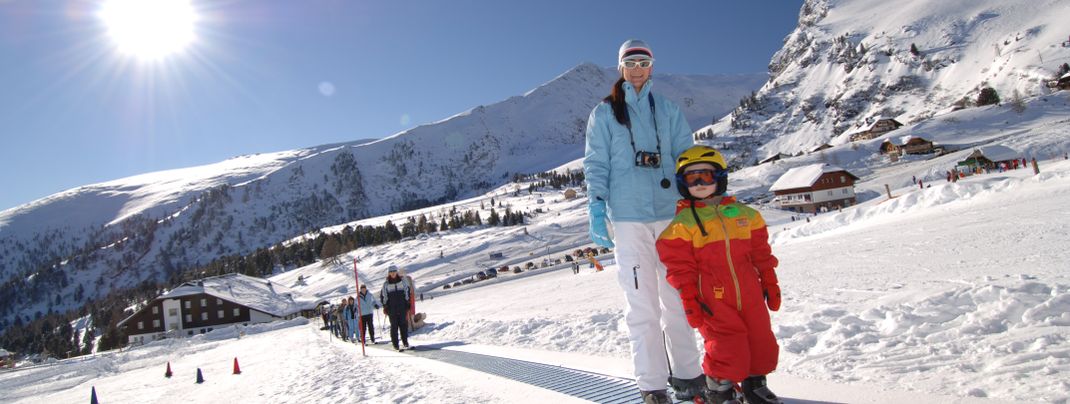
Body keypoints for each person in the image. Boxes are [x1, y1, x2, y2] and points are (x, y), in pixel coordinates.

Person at [583, 39, 703, 403]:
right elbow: (596, 163)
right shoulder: (604, 113)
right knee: (642, 306)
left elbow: (686, 156)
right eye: (631, 63)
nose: (637, 69)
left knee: (678, 300)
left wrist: (694, 199)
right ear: (620, 68)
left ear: (652, 67)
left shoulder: (667, 109)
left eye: (643, 62)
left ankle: (689, 376)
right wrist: (596, 206)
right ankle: (652, 384)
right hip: (628, 219)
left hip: (670, 216)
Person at [656, 146, 783, 404]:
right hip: (712, 298)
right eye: (692, 178)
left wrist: (769, 281)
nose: (699, 183)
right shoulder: (681, 226)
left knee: (761, 340)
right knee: (727, 346)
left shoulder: (747, 216)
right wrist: (690, 299)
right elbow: (680, 269)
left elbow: (761, 253)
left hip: (750, 293)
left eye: (705, 175)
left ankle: (755, 385)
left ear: (720, 177)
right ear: (682, 184)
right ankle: (719, 390)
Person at [380, 268, 412, 351]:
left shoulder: (402, 281)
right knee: (394, 326)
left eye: (394, 271)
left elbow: (407, 292)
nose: (393, 273)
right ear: (389, 273)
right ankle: (395, 344)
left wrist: (407, 303)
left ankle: (405, 342)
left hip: (402, 307)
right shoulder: (386, 284)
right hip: (392, 308)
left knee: (403, 325)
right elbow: (383, 296)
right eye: (391, 272)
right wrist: (385, 306)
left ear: (396, 272)